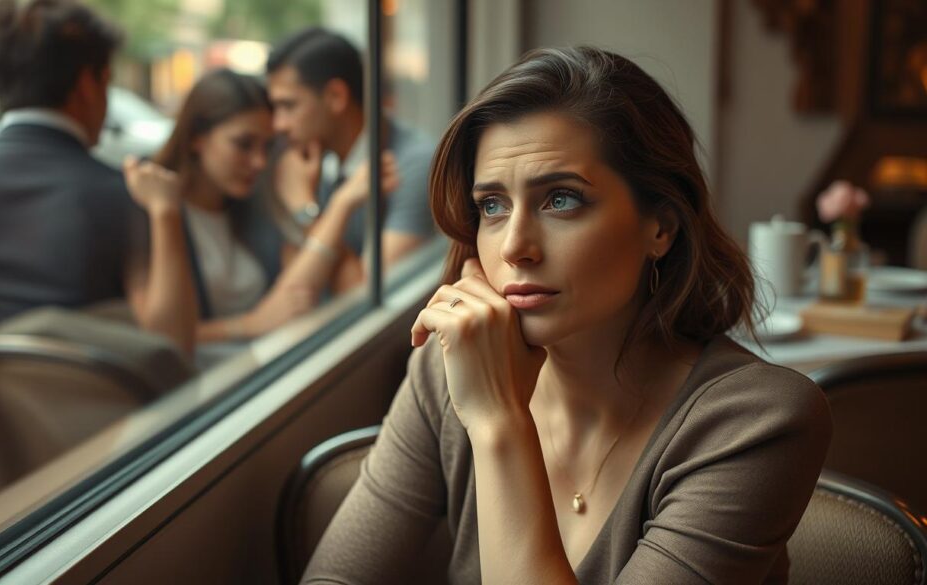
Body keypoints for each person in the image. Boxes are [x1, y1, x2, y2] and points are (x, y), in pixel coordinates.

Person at [302, 47, 832, 584]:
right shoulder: (447, 373)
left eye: (561, 200)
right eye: (491, 205)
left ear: (661, 227)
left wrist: (497, 420)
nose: (514, 246)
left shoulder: (756, 420)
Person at [0, 0, 197, 377]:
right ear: (90, 85)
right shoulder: (122, 195)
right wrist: (165, 213)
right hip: (100, 426)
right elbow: (173, 346)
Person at [126, 69, 398, 343]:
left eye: (266, 147)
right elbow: (164, 339)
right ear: (197, 137)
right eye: (243, 144)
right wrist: (247, 325)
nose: (259, 161)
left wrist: (314, 203)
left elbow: (328, 286)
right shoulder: (153, 208)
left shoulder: (253, 202)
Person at [266, 27, 436, 292]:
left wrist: (304, 209)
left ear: (336, 97)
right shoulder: (311, 159)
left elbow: (363, 295)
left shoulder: (414, 165)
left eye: (288, 106)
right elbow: (296, 280)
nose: (279, 125)